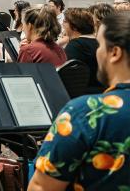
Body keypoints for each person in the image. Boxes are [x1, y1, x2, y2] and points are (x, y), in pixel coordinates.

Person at [28, 11, 130, 191]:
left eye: (100, 45)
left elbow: (41, 187)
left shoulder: (86, 112)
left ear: (114, 53)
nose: (97, 51)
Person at [63, 8, 103, 93]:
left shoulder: (75, 45)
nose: (63, 25)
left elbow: (67, 77)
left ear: (74, 26)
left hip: (85, 95)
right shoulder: (100, 42)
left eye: (65, 21)